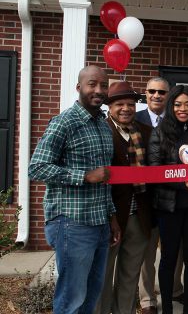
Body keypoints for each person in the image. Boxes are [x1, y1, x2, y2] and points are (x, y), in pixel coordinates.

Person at [28, 65, 121, 314]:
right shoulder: (64, 122)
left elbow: (105, 178)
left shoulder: (102, 125)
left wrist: (112, 217)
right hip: (73, 224)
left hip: (100, 222)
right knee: (72, 298)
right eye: (92, 84)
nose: (99, 90)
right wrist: (84, 176)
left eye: (103, 85)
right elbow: (36, 168)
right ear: (79, 87)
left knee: (90, 295)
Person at [148, 85, 188, 314]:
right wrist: (182, 182)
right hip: (170, 207)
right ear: (170, 105)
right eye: (177, 104)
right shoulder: (159, 132)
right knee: (168, 260)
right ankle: (166, 308)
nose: (182, 109)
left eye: (187, 104)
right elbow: (154, 170)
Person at [94, 81, 152, 314]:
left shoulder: (147, 133)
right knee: (103, 274)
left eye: (130, 104)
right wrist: (108, 216)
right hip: (110, 216)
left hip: (140, 214)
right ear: (110, 106)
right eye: (120, 104)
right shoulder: (100, 131)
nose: (126, 108)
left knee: (130, 273)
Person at [137, 78, 185, 314]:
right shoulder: (135, 120)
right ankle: (147, 299)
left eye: (162, 92)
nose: (157, 95)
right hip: (145, 197)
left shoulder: (178, 122)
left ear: (168, 96)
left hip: (171, 196)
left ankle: (176, 289)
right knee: (147, 250)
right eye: (152, 91)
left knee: (173, 247)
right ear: (145, 94)